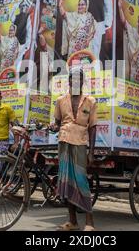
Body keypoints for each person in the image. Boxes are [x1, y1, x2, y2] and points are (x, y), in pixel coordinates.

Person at [50, 67, 98, 231]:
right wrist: (53, 126)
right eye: (73, 79)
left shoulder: (90, 101)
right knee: (66, 182)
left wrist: (91, 152)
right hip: (64, 142)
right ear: (69, 81)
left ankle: (90, 223)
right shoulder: (60, 100)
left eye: (79, 79)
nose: (75, 82)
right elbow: (57, 123)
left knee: (81, 181)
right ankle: (72, 221)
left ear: (82, 82)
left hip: (80, 144)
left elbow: (92, 128)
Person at [77, 0, 113, 64]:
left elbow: (108, 5)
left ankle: (94, 68)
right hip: (87, 22)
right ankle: (87, 67)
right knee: (86, 45)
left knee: (96, 47)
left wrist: (108, 21)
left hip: (99, 21)